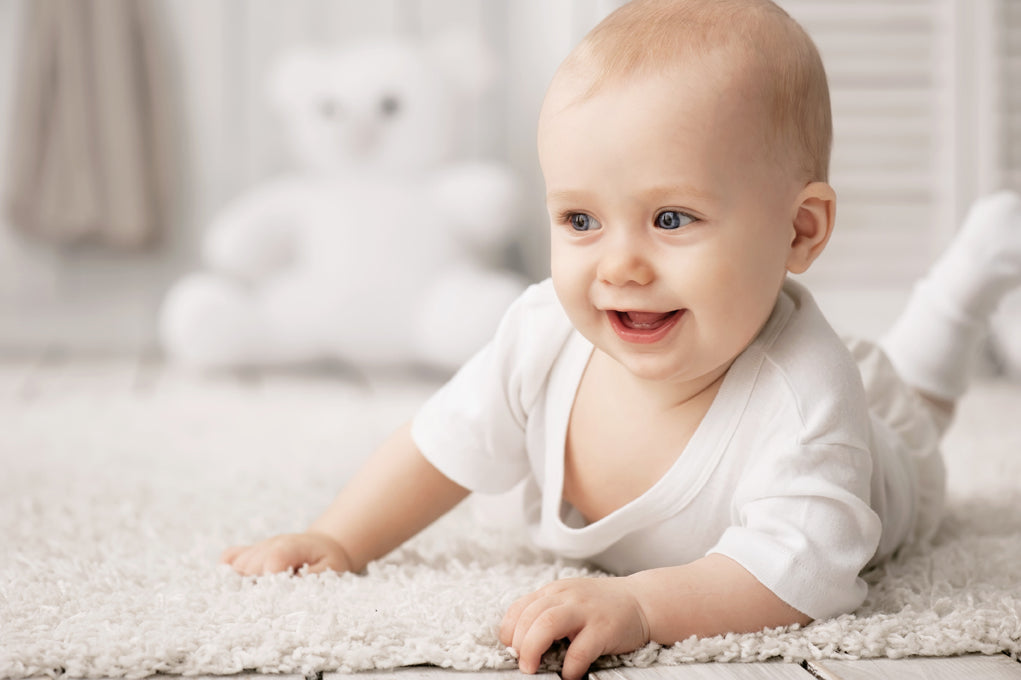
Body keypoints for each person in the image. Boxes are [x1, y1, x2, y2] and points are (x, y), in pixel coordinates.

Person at [221, 1, 1021, 678]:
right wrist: (339, 536)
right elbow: (440, 442)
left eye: (671, 219)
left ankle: (964, 285)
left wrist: (643, 604)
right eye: (580, 220)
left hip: (877, 468)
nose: (619, 265)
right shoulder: (542, 332)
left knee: (915, 411)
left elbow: (796, 575)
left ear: (799, 231)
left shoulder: (805, 398)